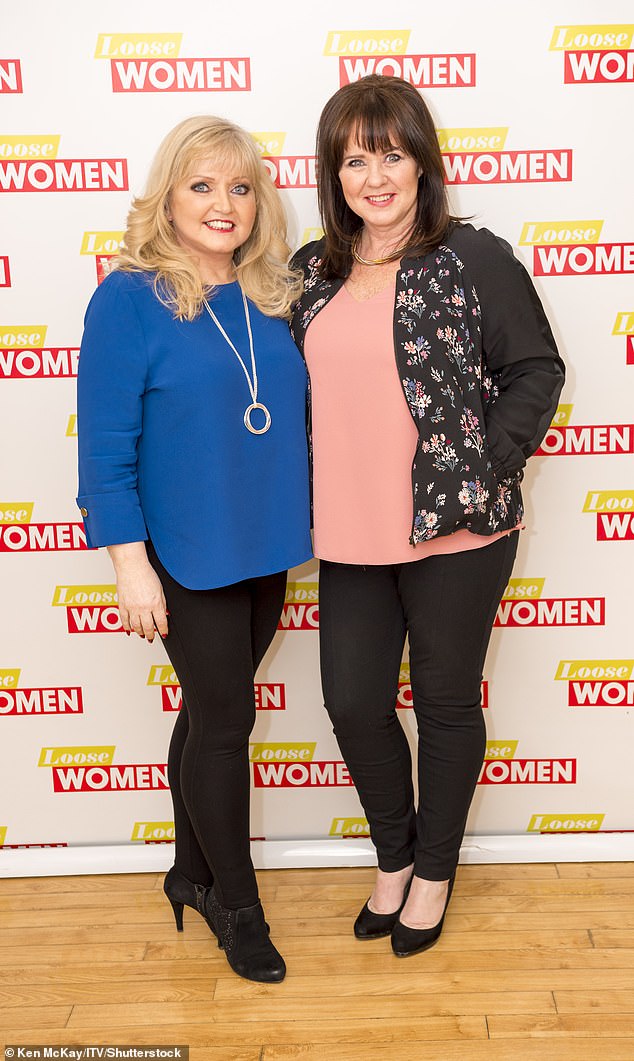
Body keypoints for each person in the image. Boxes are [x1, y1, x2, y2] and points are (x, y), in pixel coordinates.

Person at [290, 76, 565, 957]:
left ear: (422, 162)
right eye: (355, 157)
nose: (375, 175)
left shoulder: (472, 256)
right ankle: (394, 855)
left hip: (458, 531)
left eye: (392, 154)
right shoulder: (312, 271)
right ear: (335, 173)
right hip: (349, 529)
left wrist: (479, 464)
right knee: (353, 702)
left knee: (445, 703)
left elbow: (537, 371)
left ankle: (432, 875)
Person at [76, 115, 312, 983]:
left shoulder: (272, 292)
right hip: (184, 550)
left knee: (209, 713)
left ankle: (188, 870)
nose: (224, 204)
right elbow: (104, 446)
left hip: (267, 543)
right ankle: (237, 909)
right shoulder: (129, 296)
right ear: (169, 196)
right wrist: (129, 563)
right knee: (227, 722)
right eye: (203, 186)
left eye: (241, 187)